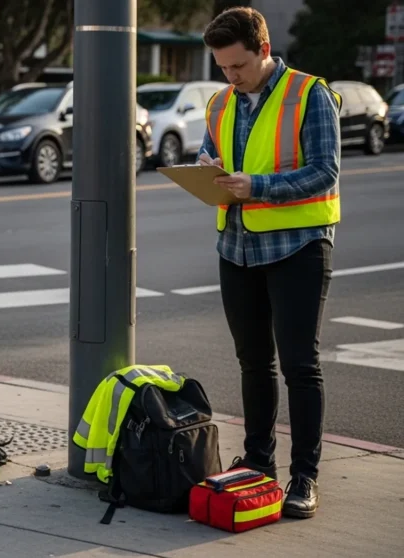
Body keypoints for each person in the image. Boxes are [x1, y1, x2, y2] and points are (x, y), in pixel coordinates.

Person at [197, 7, 341, 519]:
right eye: (222, 68)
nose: (230, 77)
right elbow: (208, 154)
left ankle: (305, 476)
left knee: (301, 366)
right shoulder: (220, 101)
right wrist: (205, 171)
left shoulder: (309, 94)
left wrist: (257, 187)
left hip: (297, 247)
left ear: (263, 50)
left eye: (237, 66)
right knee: (253, 363)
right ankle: (259, 462)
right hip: (236, 248)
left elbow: (324, 173)